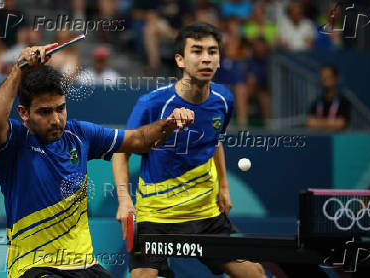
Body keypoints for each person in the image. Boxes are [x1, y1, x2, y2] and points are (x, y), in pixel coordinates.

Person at [0, 44, 194, 278]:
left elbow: (139, 140)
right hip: (34, 269)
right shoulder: (14, 142)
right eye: (44, 112)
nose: (56, 119)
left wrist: (171, 123)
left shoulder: (79, 134)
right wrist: (19, 69)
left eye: (60, 108)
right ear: (23, 113)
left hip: (85, 267)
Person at [112, 22, 266, 278]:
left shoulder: (224, 100)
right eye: (197, 51)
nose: (206, 58)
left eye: (212, 51)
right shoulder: (152, 104)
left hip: (205, 214)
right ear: (180, 60)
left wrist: (224, 187)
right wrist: (124, 199)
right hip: (156, 214)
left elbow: (215, 142)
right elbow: (121, 153)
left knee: (255, 274)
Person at [306, 65, 350, 131]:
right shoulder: (316, 102)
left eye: (328, 77)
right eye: (323, 77)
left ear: (336, 78)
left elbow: (340, 123)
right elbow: (310, 122)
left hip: (338, 139)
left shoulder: (343, 101)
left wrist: (318, 123)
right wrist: (331, 123)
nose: (325, 80)